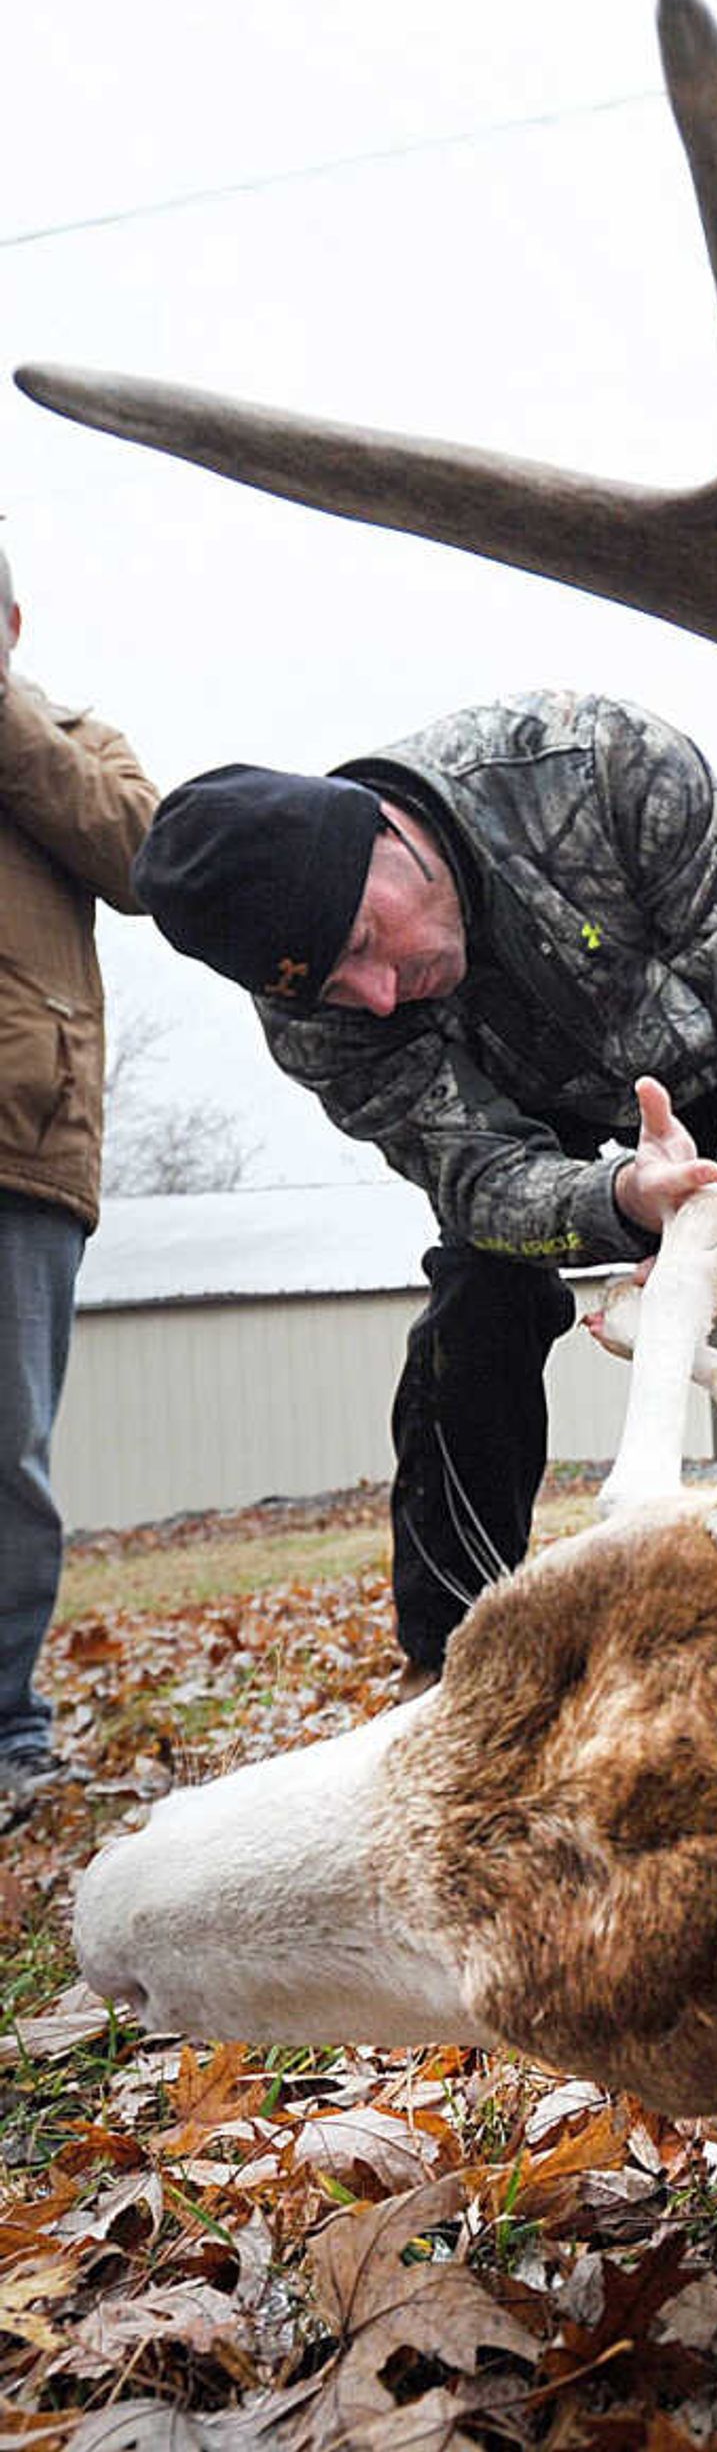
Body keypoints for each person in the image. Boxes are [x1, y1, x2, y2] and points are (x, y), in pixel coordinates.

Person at [132, 690, 717, 1690]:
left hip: (710, 1058)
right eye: (336, 987)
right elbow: (476, 1175)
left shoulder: (597, 766)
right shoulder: (316, 1019)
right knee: (479, 1308)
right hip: (518, 1124)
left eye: (367, 944)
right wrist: (621, 1202)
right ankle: (454, 1663)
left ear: (386, 834)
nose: (377, 995)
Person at [0, 545, 158, 1817]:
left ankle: (7, 1732)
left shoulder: (70, 735)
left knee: (7, 1454)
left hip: (19, 1141)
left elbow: (140, 856)